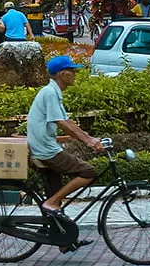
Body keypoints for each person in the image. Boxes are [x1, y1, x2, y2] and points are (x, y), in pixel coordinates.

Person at [26, 54, 103, 252]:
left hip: (44, 147)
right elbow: (62, 123)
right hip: (46, 151)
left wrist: (87, 137)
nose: (75, 74)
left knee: (56, 191)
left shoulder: (53, 92)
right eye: (73, 71)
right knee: (88, 172)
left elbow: (67, 122)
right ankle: (51, 203)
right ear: (62, 74)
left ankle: (63, 241)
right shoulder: (50, 93)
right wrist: (88, 141)